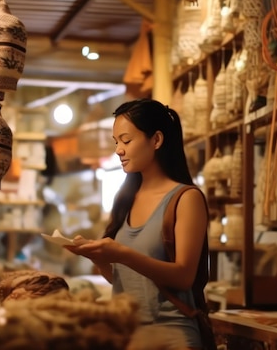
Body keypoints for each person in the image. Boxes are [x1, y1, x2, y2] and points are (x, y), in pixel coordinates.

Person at [65, 98, 209, 350]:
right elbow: (126, 281)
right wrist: (99, 259)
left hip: (170, 337)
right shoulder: (126, 198)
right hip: (127, 335)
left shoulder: (186, 199)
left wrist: (122, 254)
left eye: (126, 140)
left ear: (156, 140)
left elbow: (184, 277)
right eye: (116, 142)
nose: (119, 150)